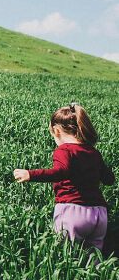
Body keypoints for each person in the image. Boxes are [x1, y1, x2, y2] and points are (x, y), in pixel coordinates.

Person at [13, 103, 115, 255]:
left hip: (72, 211)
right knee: (94, 261)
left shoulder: (64, 150)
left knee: (65, 257)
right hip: (99, 214)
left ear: (57, 131)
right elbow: (109, 180)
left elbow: (61, 172)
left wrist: (30, 174)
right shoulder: (93, 152)